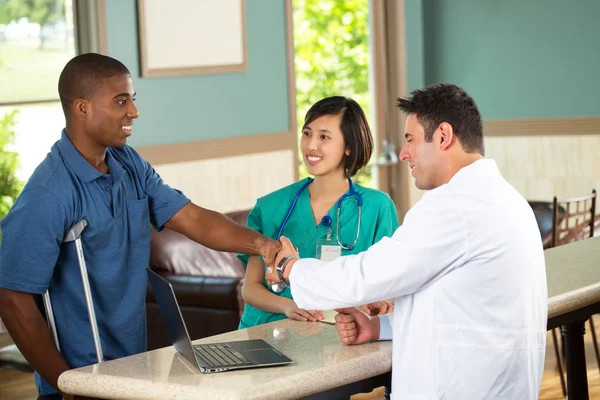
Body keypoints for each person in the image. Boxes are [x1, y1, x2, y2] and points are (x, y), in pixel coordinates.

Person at [0, 53, 281, 400]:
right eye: (121, 101)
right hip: (82, 380)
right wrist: (65, 384)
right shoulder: (50, 193)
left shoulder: (127, 162)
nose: (134, 111)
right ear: (82, 108)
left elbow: (192, 218)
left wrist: (263, 245)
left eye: (133, 99)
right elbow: (12, 297)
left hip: (132, 371)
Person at [267, 84, 548, 399]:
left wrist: (292, 267)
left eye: (411, 139)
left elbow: (368, 275)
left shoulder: (454, 206)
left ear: (443, 136)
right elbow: (456, 309)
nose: (403, 153)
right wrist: (379, 328)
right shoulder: (505, 199)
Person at [238, 96, 399, 329]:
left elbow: (387, 283)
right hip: (264, 330)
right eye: (307, 133)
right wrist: (287, 306)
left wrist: (381, 303)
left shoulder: (377, 207)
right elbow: (250, 289)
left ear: (349, 147)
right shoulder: (271, 207)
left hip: (334, 333)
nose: (311, 145)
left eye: (324, 137)